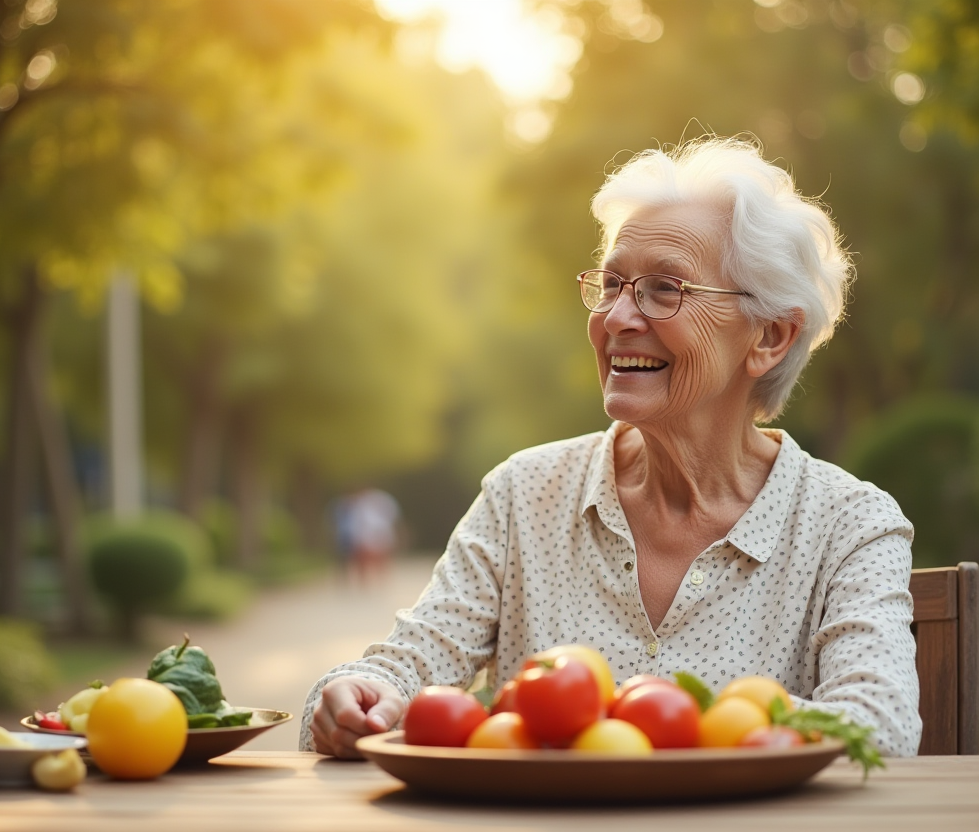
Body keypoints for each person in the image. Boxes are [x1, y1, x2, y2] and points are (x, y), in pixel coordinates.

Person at [301, 136, 921, 759]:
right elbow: (403, 666)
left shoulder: (851, 525)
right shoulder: (526, 493)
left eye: (665, 289)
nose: (617, 317)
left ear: (769, 337)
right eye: (613, 283)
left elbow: (881, 726)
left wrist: (664, 731)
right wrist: (360, 695)